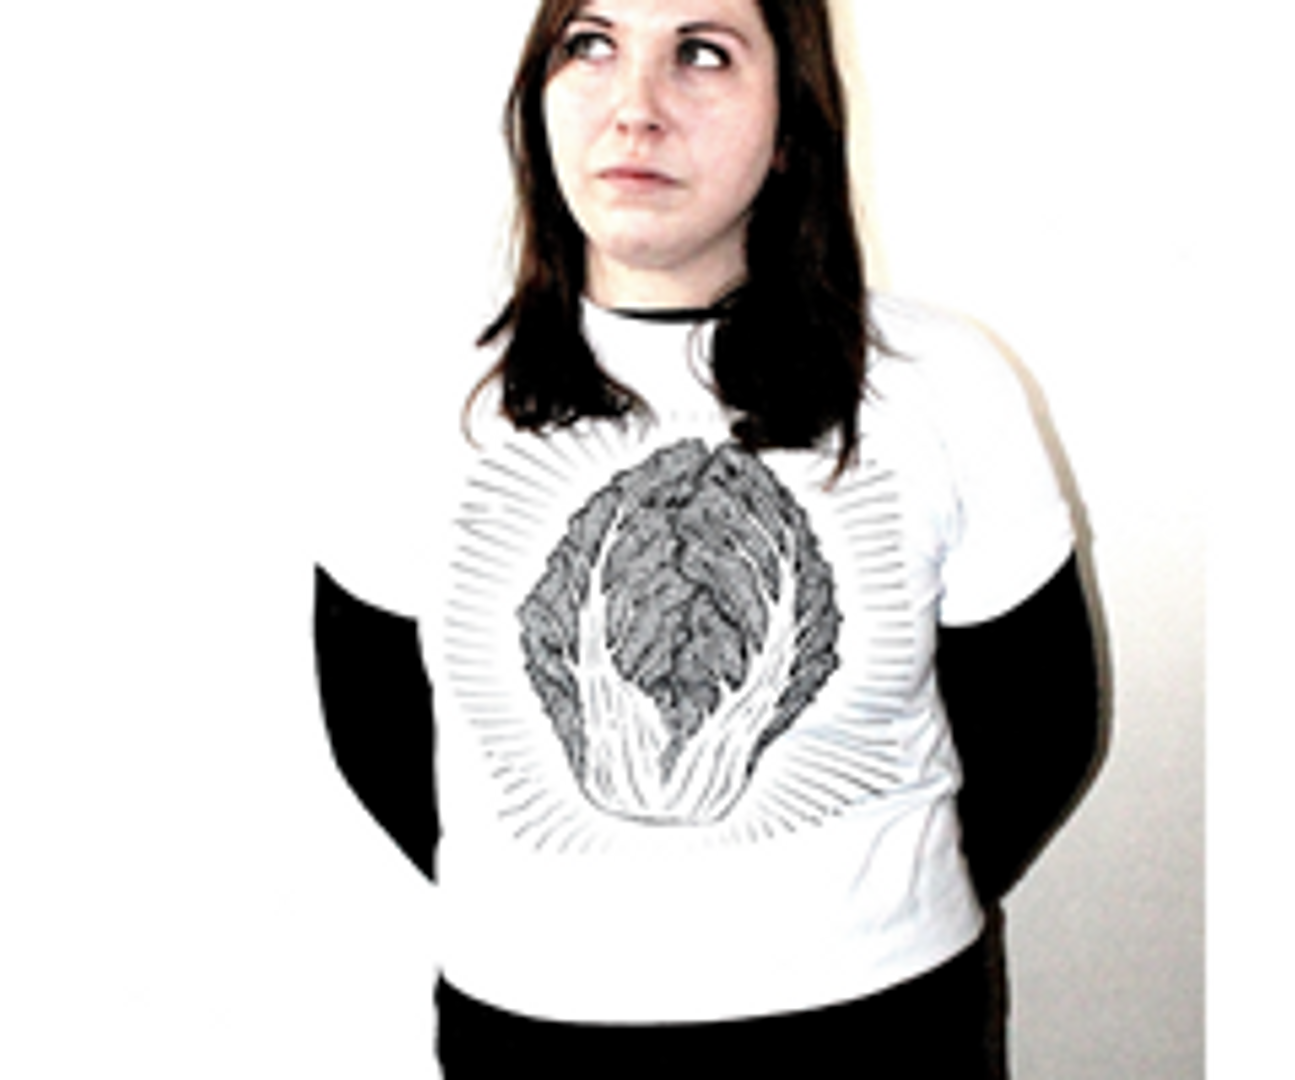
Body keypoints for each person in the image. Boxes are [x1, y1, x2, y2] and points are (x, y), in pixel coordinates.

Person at [313, 1, 1101, 1074]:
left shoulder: (942, 381)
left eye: (701, 52)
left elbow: (1041, 722)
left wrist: (865, 919)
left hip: (883, 1036)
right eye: (591, 45)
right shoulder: (421, 399)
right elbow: (371, 721)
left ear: (789, 125)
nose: (635, 108)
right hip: (530, 1042)